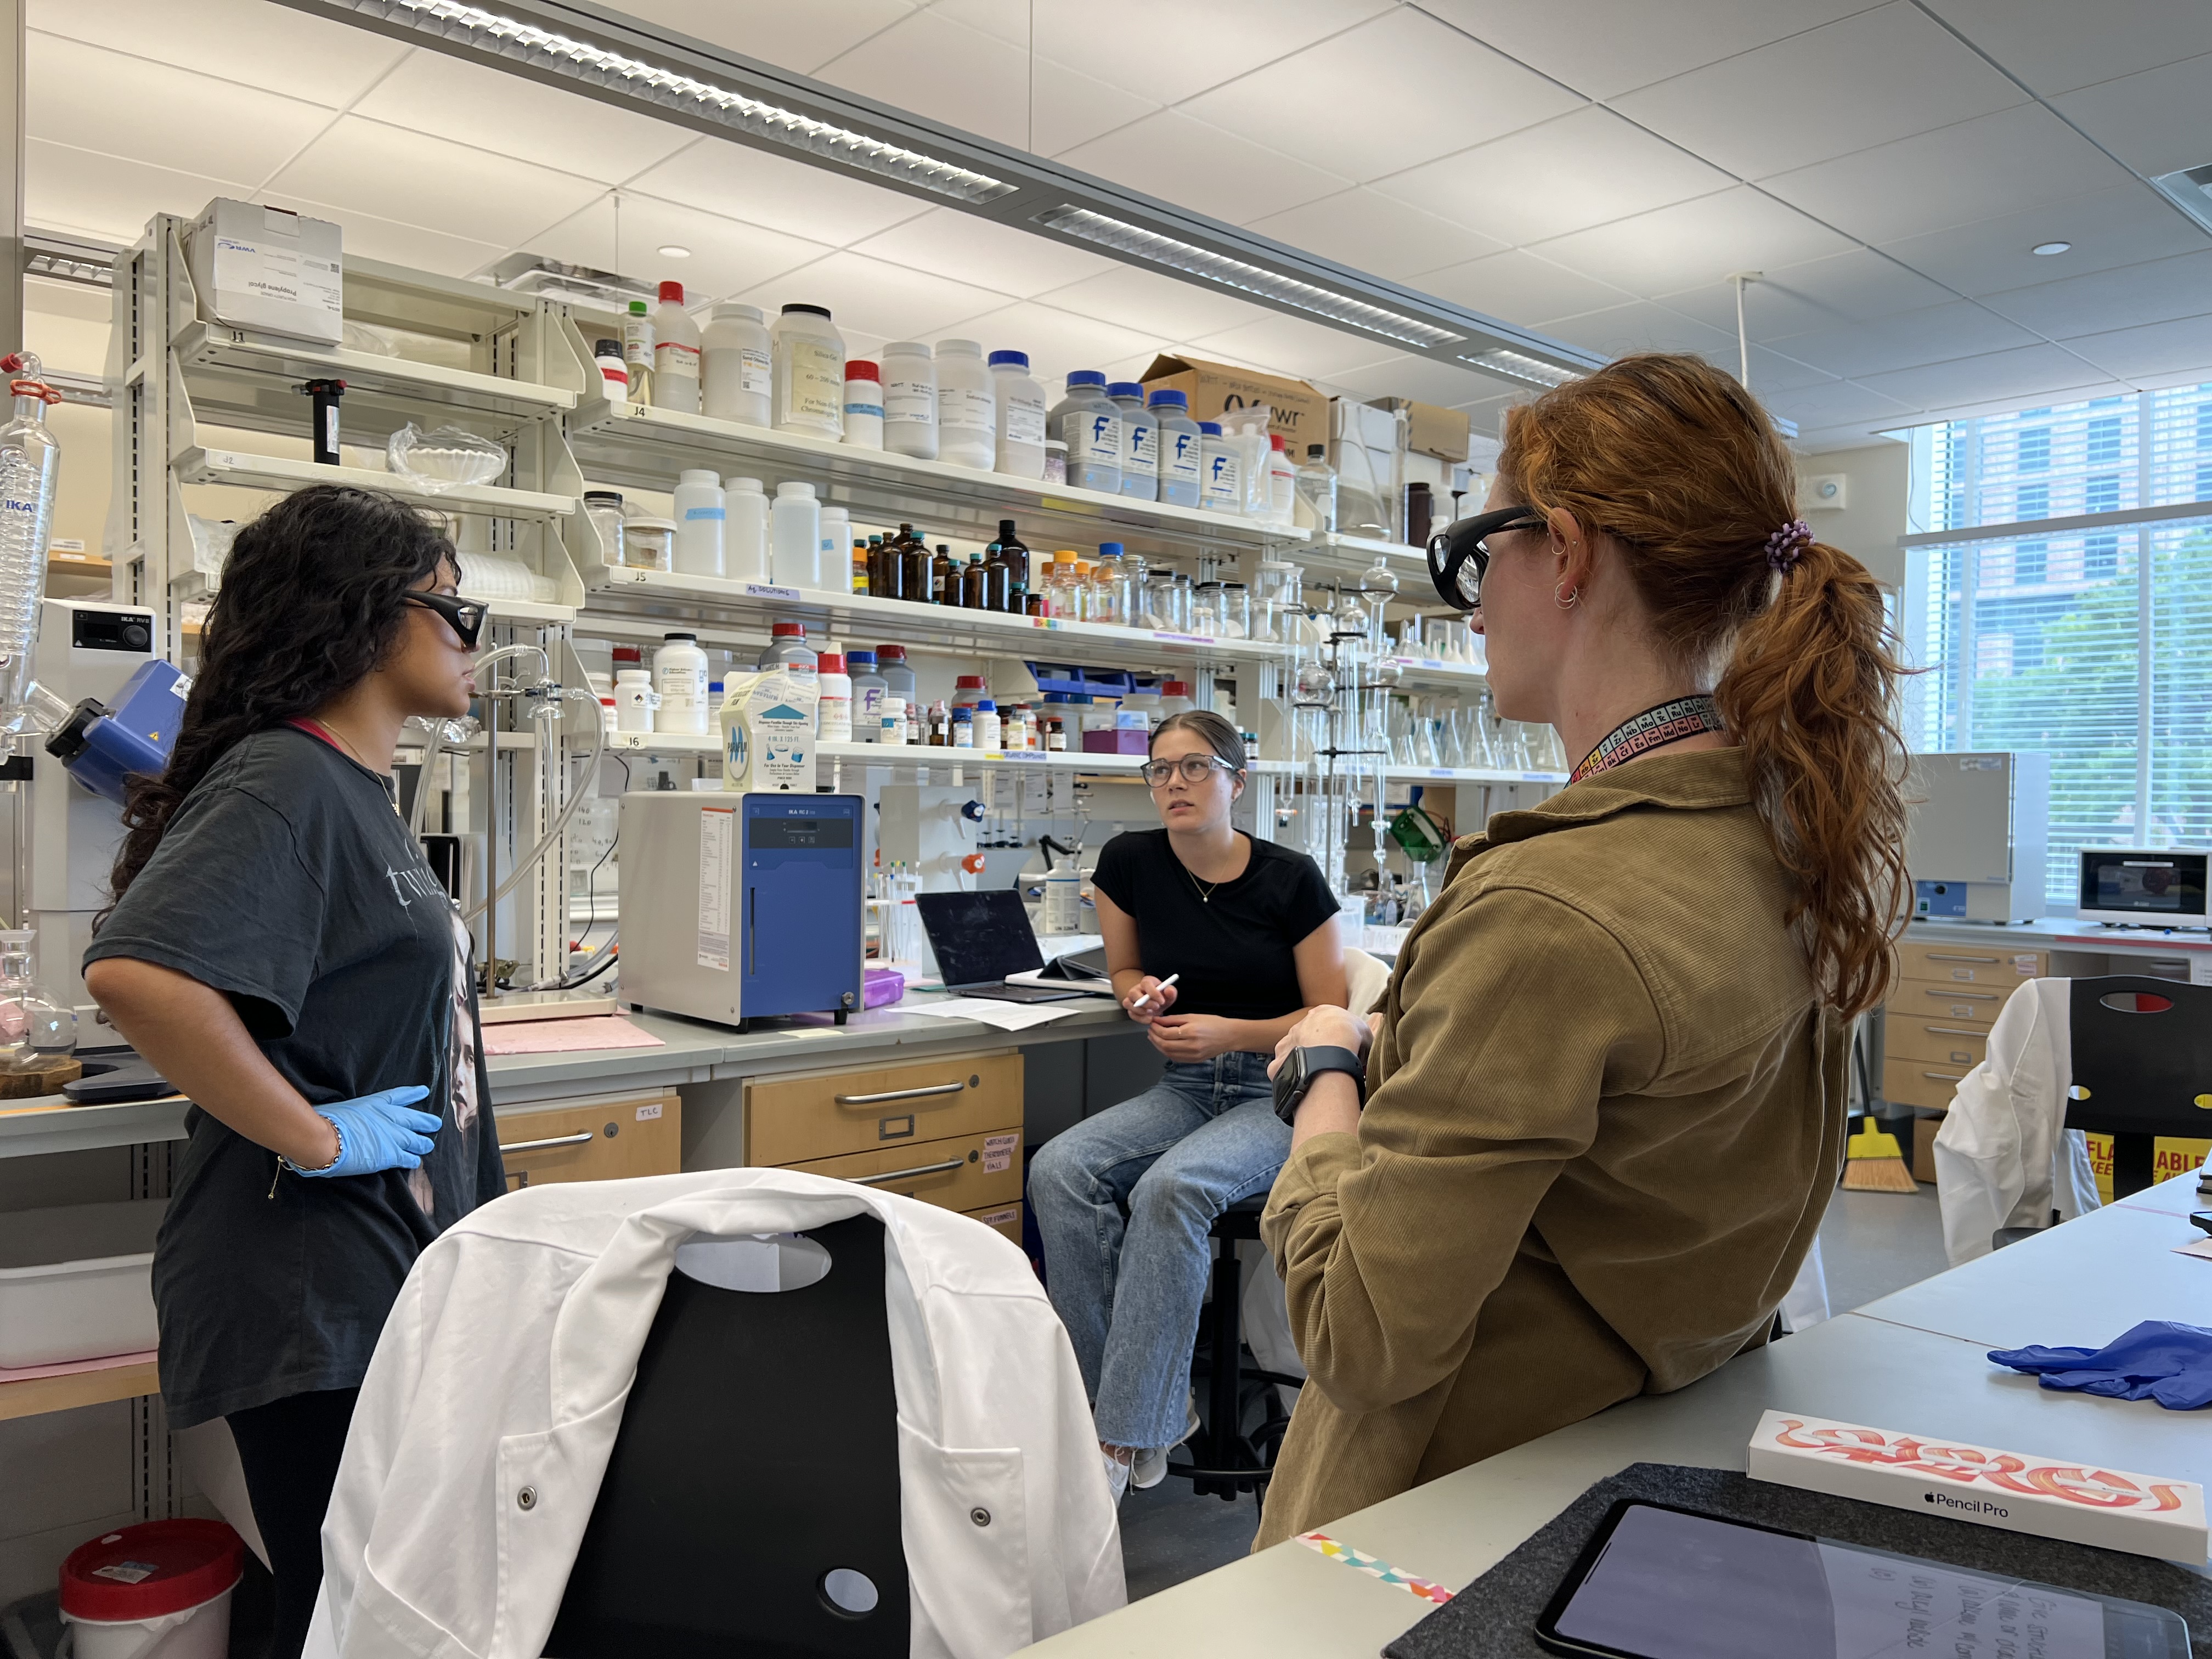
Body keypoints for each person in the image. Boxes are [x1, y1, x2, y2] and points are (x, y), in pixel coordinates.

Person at [1255, 353, 1909, 1548]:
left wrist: (1326, 1072)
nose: (1476, 607)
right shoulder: (1790, 837)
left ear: (1563, 553)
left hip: (1444, 1523)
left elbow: (1360, 1335)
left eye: (1478, 553)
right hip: (1642, 1473)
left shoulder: (1548, 908)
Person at [83, 487, 505, 1658]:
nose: (470, 641)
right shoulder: (289, 777)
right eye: (451, 608)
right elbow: (140, 977)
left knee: (353, 1604)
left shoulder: (354, 788)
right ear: (367, 613)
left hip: (370, 1276)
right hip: (310, 1283)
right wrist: (320, 1136)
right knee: (347, 1613)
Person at [1029, 710, 1346, 1501]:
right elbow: (1124, 968)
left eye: (1197, 766)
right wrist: (1138, 996)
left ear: (1238, 782)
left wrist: (1229, 1032)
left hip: (1278, 1091)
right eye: (1162, 770)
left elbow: (1332, 1018)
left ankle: (1119, 1439)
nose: (1176, 783)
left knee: (1173, 1188)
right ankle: (1129, 1412)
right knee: (1060, 1169)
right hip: (1187, 1088)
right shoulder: (1129, 862)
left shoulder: (1291, 877)